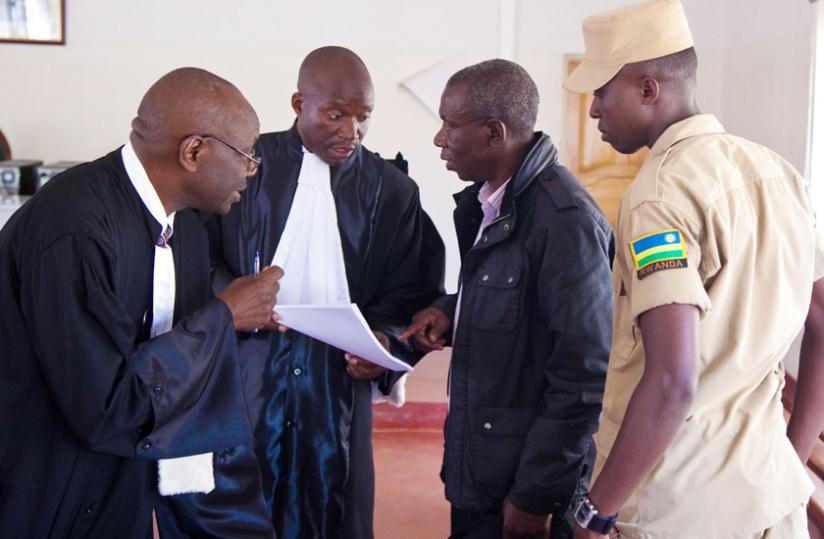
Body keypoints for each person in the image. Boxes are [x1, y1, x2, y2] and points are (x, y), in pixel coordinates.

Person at [563, 1, 824, 537]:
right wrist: (790, 459)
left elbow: (671, 380)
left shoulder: (658, 195)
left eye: (602, 92)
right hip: (771, 498)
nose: (594, 111)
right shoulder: (779, 174)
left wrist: (596, 512)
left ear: (648, 88)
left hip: (681, 510)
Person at [0, 67, 283, 538]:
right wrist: (225, 316)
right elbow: (103, 407)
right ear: (194, 151)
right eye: (247, 156)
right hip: (43, 485)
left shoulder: (186, 227)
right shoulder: (75, 229)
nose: (251, 172)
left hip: (122, 483)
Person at [196, 46, 445, 539]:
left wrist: (385, 343)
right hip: (247, 377)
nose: (350, 131)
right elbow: (196, 256)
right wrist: (235, 299)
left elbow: (410, 294)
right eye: (335, 115)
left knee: (333, 508)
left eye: (363, 117)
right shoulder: (242, 166)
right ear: (298, 104)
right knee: (243, 503)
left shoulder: (390, 191)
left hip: (335, 388)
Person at [400, 59, 613, 539]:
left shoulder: (565, 221)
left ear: (494, 134)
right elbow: (516, 301)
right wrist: (452, 312)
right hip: (482, 470)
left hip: (523, 487)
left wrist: (536, 497)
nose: (439, 139)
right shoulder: (490, 203)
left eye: (450, 125)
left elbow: (582, 376)